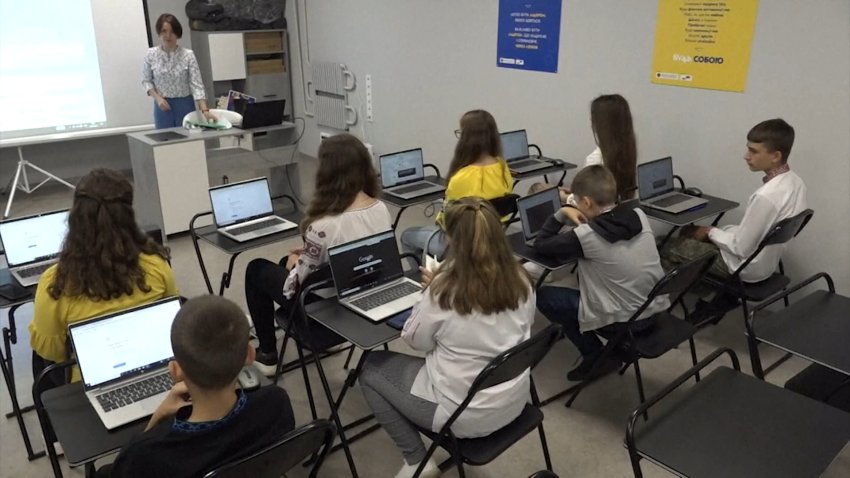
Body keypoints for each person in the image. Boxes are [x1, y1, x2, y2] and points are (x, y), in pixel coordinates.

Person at [359, 197, 536, 478]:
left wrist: (429, 293)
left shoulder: (444, 292)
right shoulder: (522, 278)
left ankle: (417, 460)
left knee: (370, 368)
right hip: (514, 400)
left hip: (462, 414)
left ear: (451, 239)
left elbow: (415, 341)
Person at [244, 134, 392, 375]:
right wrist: (309, 254)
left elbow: (295, 284)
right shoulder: (381, 208)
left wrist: (295, 263)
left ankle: (268, 354)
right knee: (283, 262)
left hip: (329, 310)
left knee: (256, 269)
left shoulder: (323, 226)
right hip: (364, 299)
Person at [105, 295, 295, 477]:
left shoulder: (145, 455)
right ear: (250, 355)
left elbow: (126, 467)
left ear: (176, 371)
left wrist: (155, 420)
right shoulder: (277, 403)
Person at [29, 168, 178, 385]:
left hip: (90, 384)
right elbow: (173, 319)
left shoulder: (55, 283)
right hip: (157, 369)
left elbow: (52, 352)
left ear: (75, 217)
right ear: (128, 215)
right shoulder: (156, 264)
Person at [534, 165, 669, 381]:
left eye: (577, 202)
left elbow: (541, 244)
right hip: (653, 306)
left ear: (586, 202)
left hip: (625, 320)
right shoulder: (638, 214)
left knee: (545, 297)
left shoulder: (586, 236)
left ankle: (596, 356)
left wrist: (561, 213)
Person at [661, 119, 807, 311]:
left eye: (754, 151)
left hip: (744, 267)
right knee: (691, 234)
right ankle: (716, 301)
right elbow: (757, 234)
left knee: (665, 245)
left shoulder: (766, 197)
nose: (746, 156)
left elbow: (741, 248)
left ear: (775, 156)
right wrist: (718, 232)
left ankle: (703, 303)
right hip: (768, 263)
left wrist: (711, 232)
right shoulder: (796, 184)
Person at [400, 109, 512, 258]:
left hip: (460, 243)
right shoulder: (503, 168)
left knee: (406, 236)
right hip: (494, 238)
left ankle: (433, 277)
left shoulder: (461, 178)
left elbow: (449, 220)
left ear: (467, 139)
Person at [535, 94, 637, 204]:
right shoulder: (628, 152)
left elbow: (588, 206)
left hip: (594, 218)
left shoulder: (595, 160)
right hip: (619, 213)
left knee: (537, 188)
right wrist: (578, 193)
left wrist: (564, 197)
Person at [142, 13, 216, 129]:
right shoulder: (151, 54)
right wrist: (158, 98)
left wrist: (205, 110)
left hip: (184, 105)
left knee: (187, 142)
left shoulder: (188, 55)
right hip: (162, 105)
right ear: (159, 33)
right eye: (164, 31)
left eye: (172, 32)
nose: (168, 36)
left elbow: (197, 85)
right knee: (164, 142)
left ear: (178, 34)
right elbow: (146, 81)